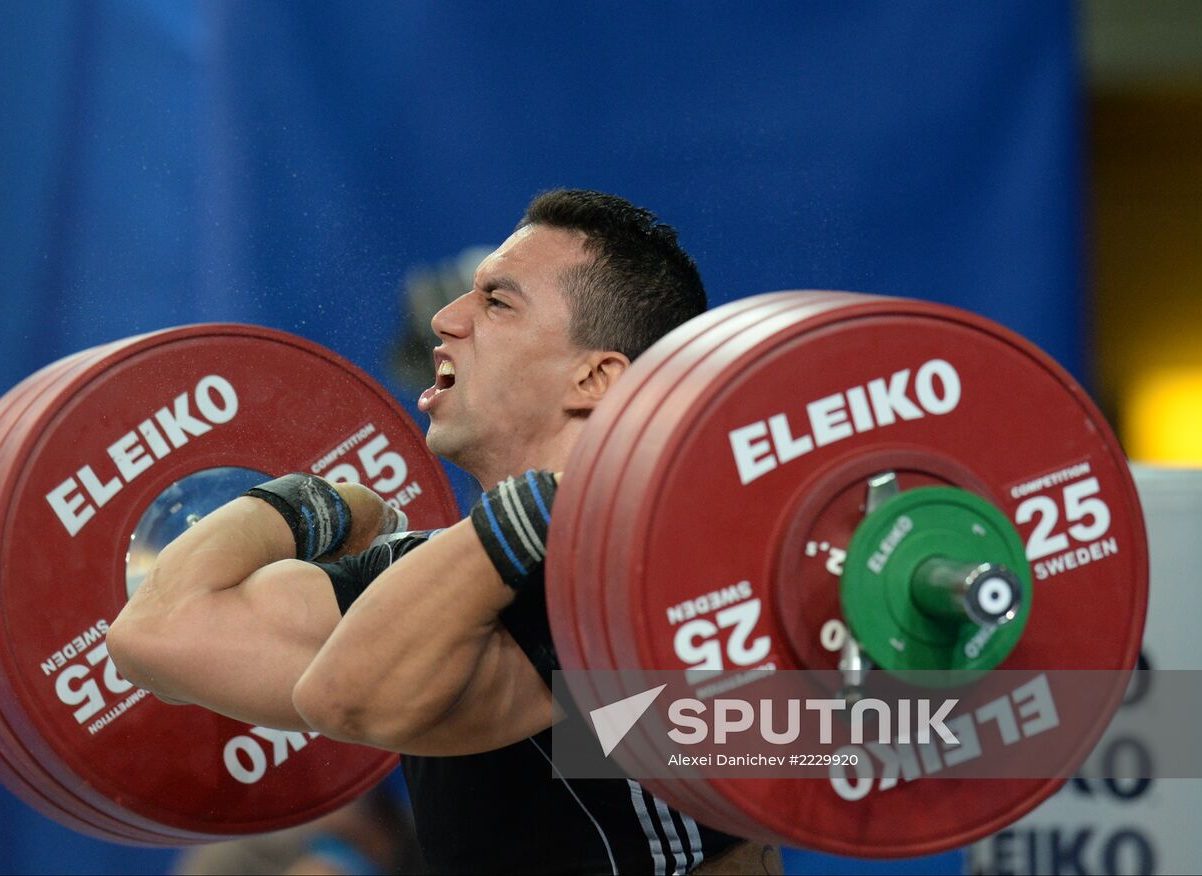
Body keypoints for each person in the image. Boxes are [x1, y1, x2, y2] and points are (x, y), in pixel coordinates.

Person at [108, 189, 782, 875]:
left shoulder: (684, 566)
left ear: (596, 377)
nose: (445, 318)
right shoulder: (430, 574)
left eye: (497, 302)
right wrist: (317, 503)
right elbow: (154, 632)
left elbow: (880, 737)